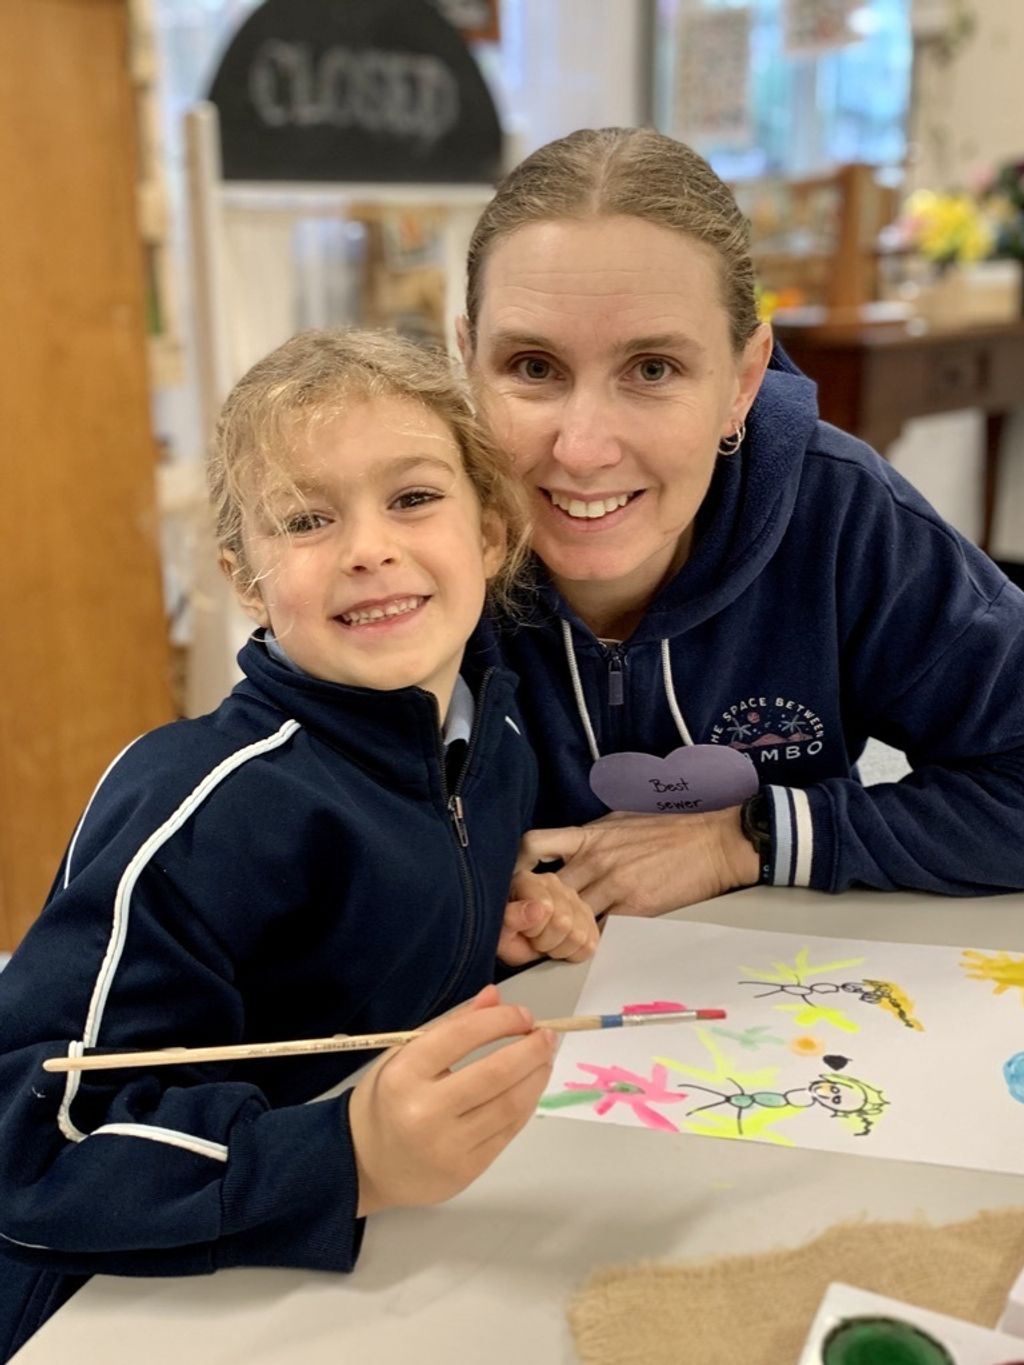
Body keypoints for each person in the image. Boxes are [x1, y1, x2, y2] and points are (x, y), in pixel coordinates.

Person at [0, 328, 598, 1361]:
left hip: (355, 1279)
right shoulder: (199, 804)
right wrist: (348, 1157)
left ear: (492, 534)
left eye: (413, 497)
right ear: (246, 579)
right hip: (109, 1304)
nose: (368, 547)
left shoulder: (493, 729)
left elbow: (356, 962)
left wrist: (489, 925)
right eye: (307, 519)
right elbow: (25, 1143)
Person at [457, 126, 1024, 915]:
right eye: (533, 367)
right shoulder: (406, 541)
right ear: (467, 362)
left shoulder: (839, 516)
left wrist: (752, 836)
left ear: (744, 380)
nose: (583, 449)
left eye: (652, 368)